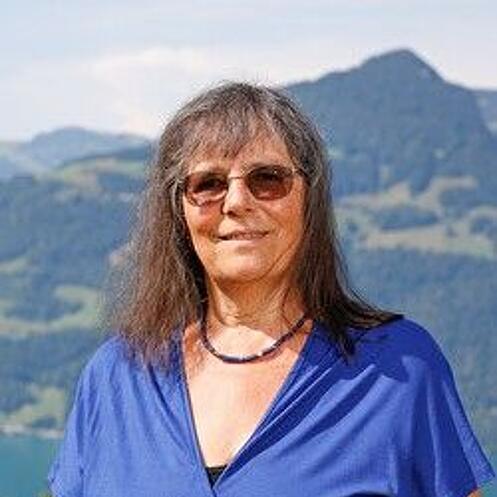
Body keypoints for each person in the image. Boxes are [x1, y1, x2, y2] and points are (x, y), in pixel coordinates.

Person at [47, 81, 495, 497]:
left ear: (308, 200)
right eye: (208, 184)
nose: (236, 201)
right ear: (179, 211)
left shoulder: (401, 369)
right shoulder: (116, 377)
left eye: (267, 179)